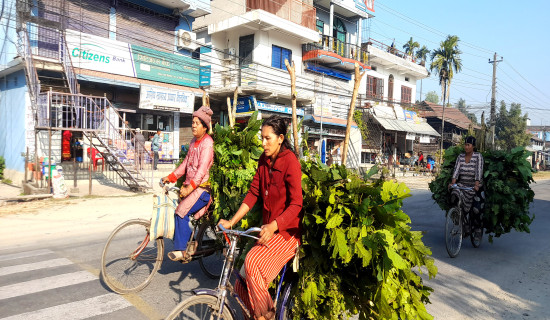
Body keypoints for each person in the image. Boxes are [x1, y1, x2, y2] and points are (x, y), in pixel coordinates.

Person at [218, 116, 303, 320]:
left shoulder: (290, 161)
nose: (263, 143)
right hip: (268, 231)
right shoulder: (264, 160)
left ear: (280, 138)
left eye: (268, 138)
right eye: (262, 138)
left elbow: (296, 205)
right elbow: (254, 192)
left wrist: (274, 225)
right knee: (239, 284)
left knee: (253, 260)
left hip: (286, 235)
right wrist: (232, 221)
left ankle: (267, 315)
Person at [161, 105, 214, 262]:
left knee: (181, 212)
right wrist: (170, 177)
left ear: (205, 127)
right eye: (193, 122)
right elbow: (185, 165)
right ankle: (185, 242)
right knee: (177, 210)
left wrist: (189, 188)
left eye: (197, 123)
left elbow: (201, 171)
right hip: (191, 188)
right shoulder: (193, 142)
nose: (193, 125)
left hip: (202, 190)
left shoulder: (207, 144)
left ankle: (182, 251)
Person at [448, 136, 484, 222]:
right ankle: (457, 215)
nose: (466, 147)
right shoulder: (460, 157)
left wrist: (476, 184)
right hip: (462, 184)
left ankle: (472, 224)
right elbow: (456, 170)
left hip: (474, 185)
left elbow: (478, 171)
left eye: (468, 145)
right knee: (455, 192)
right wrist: (453, 183)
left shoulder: (478, 156)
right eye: (465, 145)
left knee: (476, 210)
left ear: (473, 146)